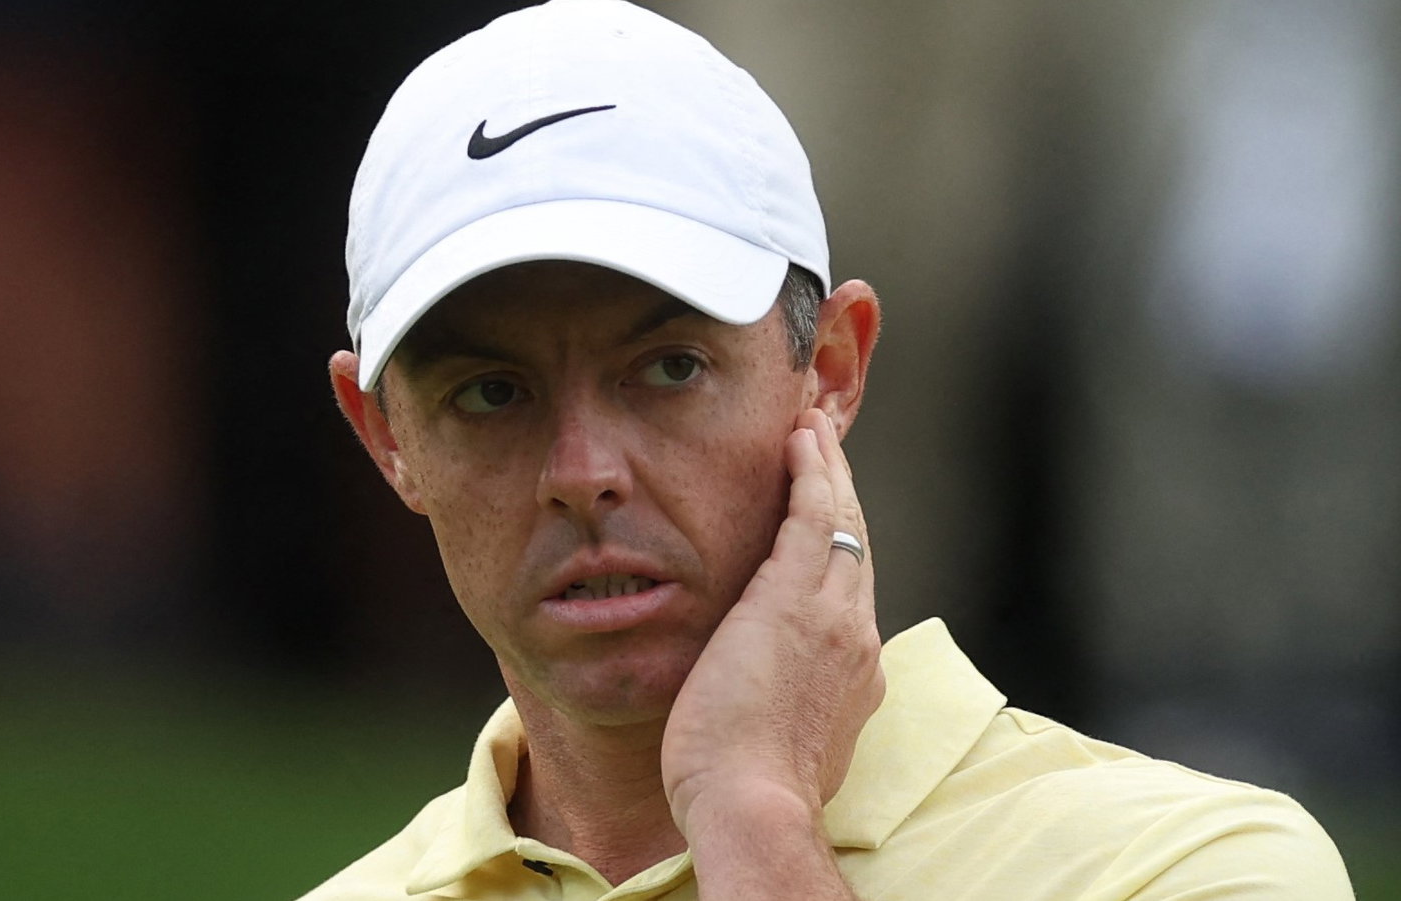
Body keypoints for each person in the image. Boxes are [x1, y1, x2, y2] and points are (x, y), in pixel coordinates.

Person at [301, 1, 1353, 898]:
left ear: (834, 368)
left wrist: (753, 815)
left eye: (668, 368)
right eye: (491, 393)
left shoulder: (1194, 866)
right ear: (386, 436)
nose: (583, 473)